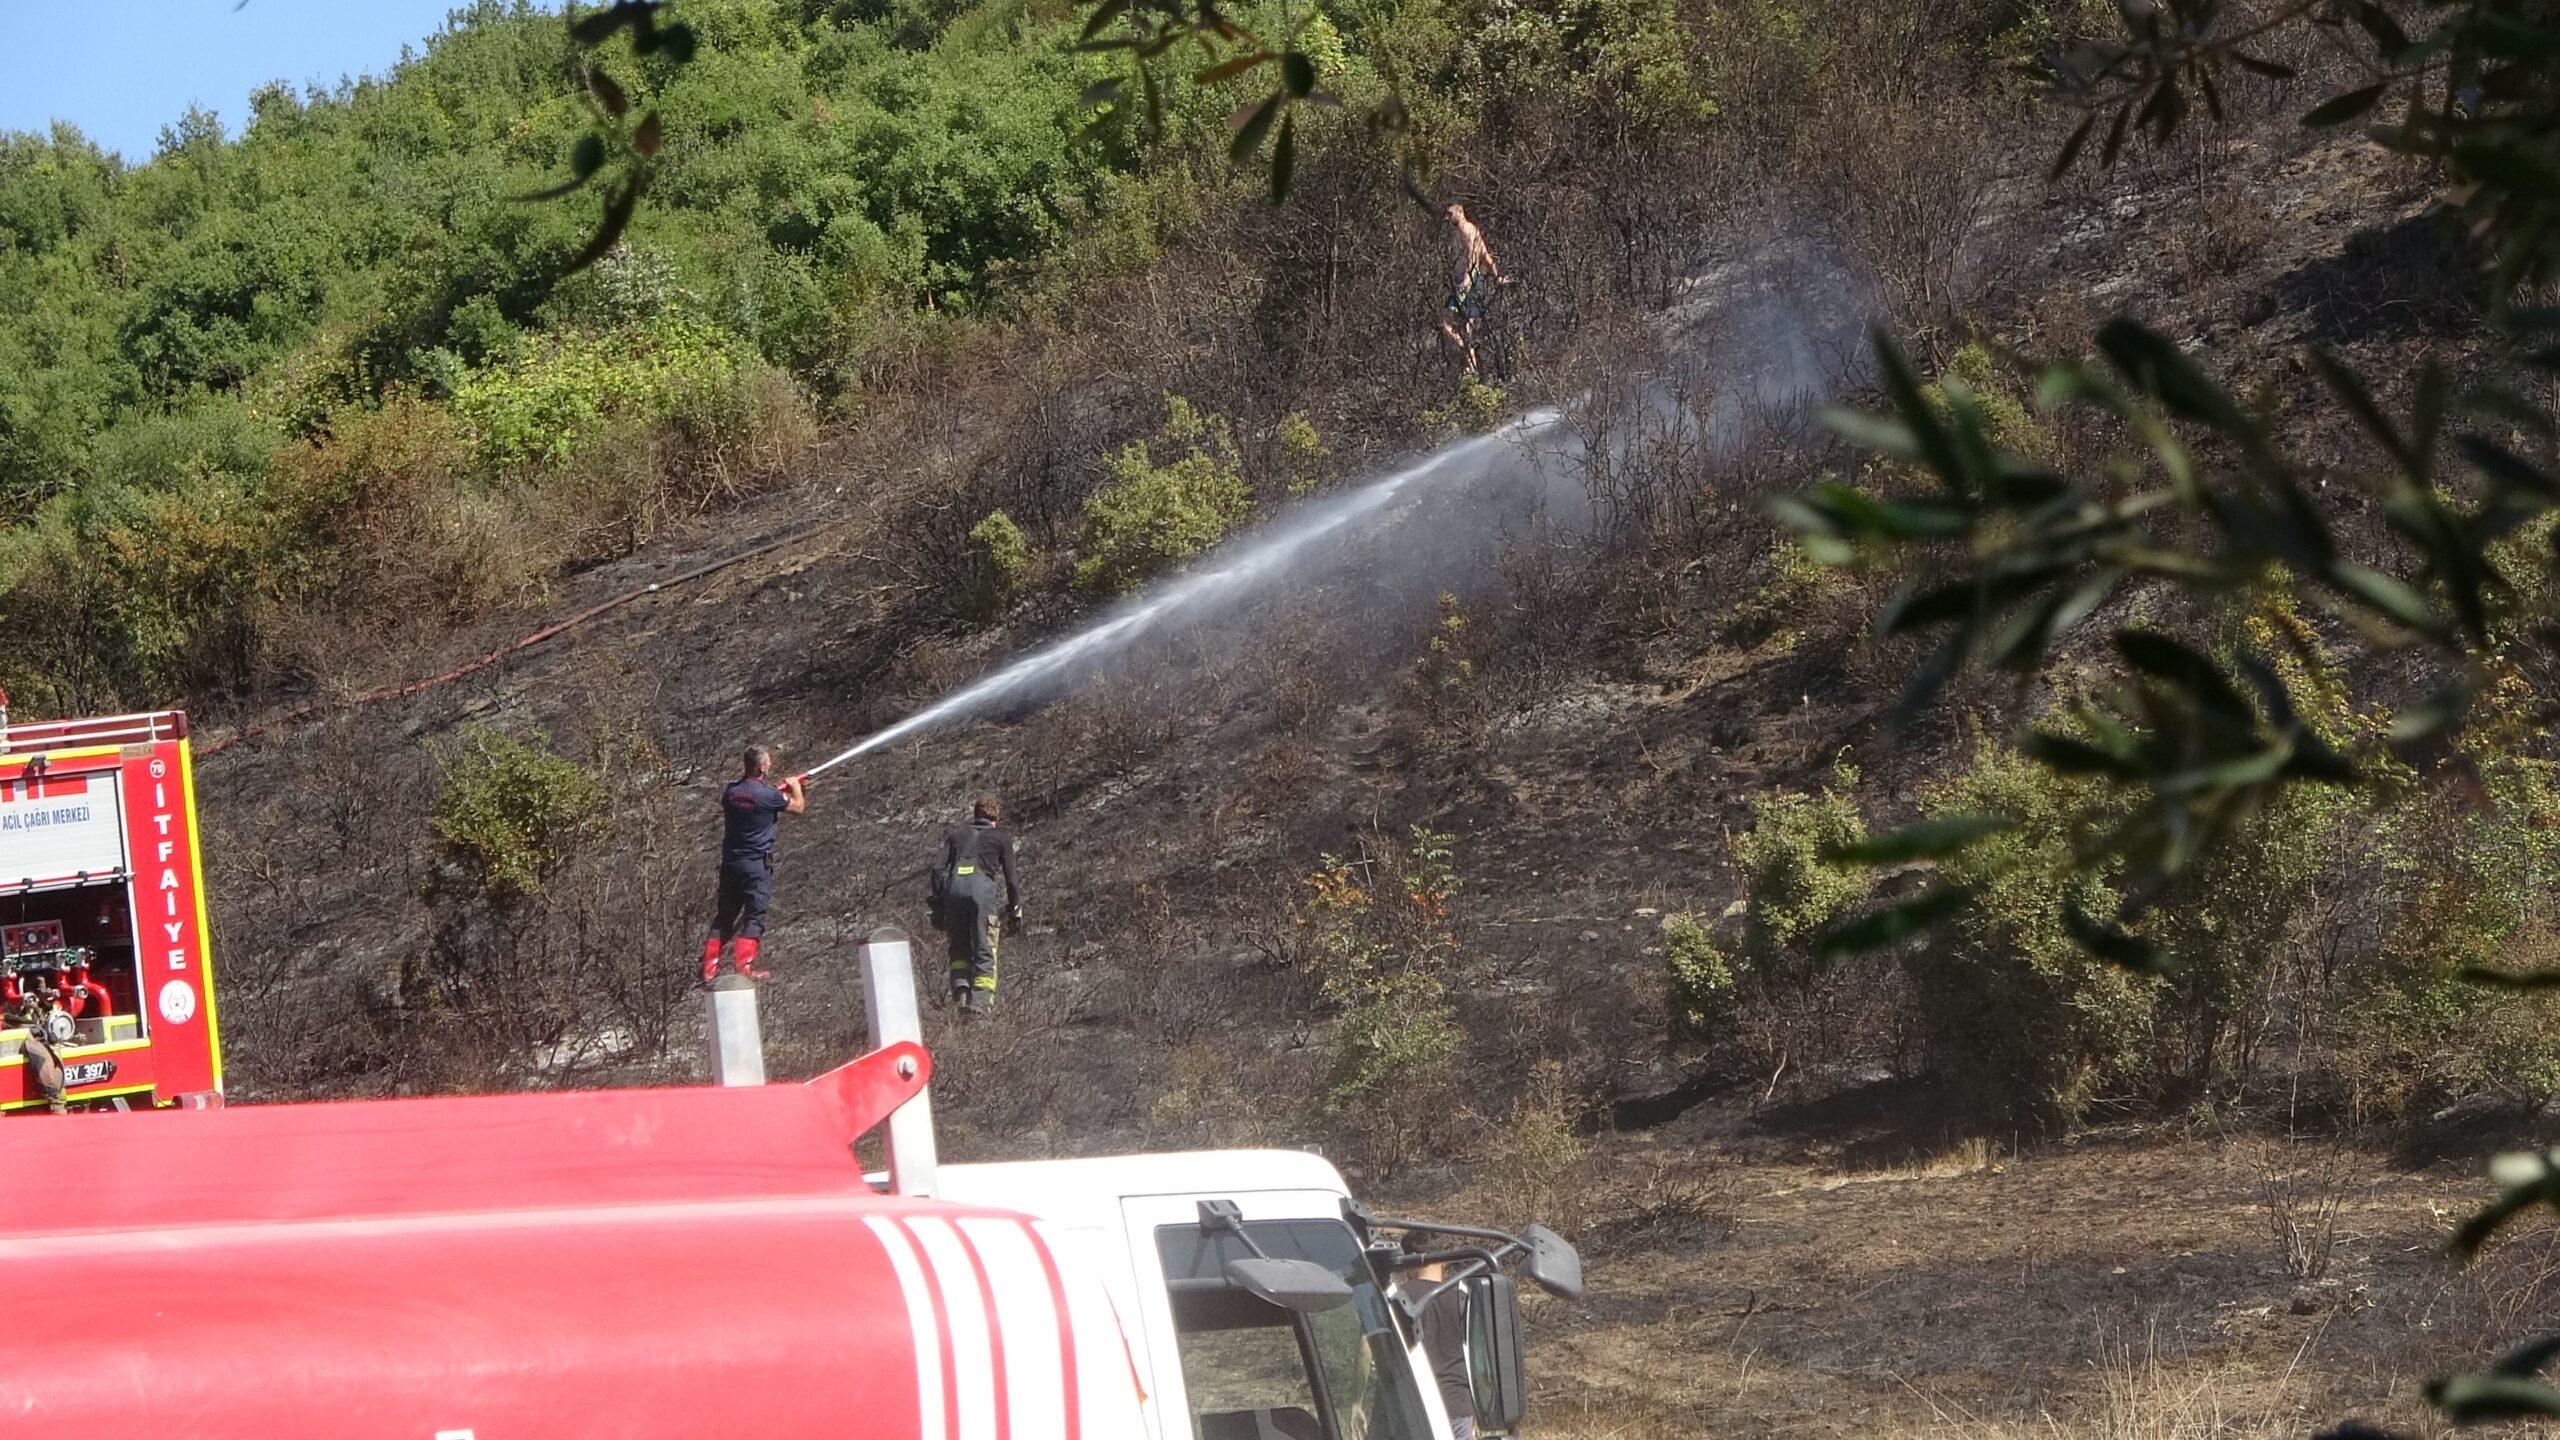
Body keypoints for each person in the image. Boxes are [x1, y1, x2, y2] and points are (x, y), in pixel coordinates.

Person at [700, 745, 805, 984]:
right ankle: (744, 968)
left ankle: (708, 970)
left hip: (730, 864)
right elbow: (798, 807)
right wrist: (796, 788)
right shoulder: (769, 796)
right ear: (762, 766)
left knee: (724, 917)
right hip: (756, 866)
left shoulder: (730, 792)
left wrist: (777, 791)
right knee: (755, 915)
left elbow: (753, 799)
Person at [930, 793, 1021, 1015]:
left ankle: (961, 993)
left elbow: (937, 870)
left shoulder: (957, 835)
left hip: (953, 892)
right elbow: (1011, 879)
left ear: (975, 815)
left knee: (959, 949)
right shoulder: (1001, 838)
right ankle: (980, 1007)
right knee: (985, 948)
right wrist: (1015, 909)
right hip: (982, 893)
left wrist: (939, 903)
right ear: (996, 818)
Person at [1409, 1258, 1479, 1440]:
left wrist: (1356, 1402)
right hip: (1458, 1404)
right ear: (1444, 1263)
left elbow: (1367, 1349)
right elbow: (1478, 1357)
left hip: (1416, 1406)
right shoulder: (1463, 1297)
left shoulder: (1400, 1298)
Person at [1436, 202, 1508, 375]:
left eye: (1450, 213)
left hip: (1468, 281)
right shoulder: (1459, 232)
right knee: (1453, 323)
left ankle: (1470, 366)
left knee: (1461, 323)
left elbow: (1472, 258)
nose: (1447, 218)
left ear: (1460, 212)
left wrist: (1466, 281)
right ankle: (1469, 361)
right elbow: (1486, 256)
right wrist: (1496, 274)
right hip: (1462, 280)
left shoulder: (1467, 231)